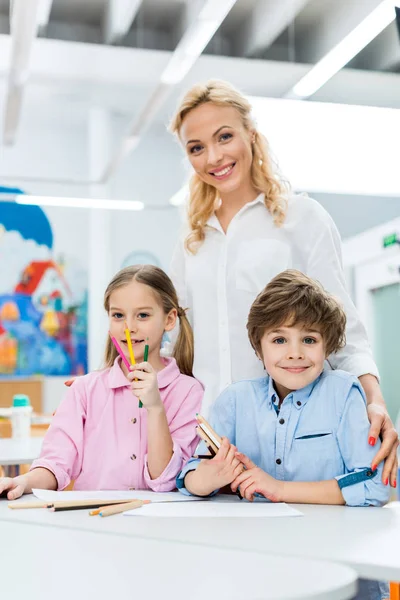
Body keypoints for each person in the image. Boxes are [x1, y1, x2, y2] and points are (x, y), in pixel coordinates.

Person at [169, 79, 398, 485]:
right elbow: (172, 337)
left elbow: (343, 326)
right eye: (197, 147)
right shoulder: (192, 239)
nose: (214, 156)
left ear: (251, 136)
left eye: (225, 137)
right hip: (210, 439)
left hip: (297, 435)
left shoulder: (301, 218)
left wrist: (375, 399)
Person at [177, 270, 389, 600]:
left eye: (309, 339)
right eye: (279, 340)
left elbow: (374, 483)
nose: (294, 353)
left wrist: (278, 488)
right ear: (258, 348)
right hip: (262, 571)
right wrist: (206, 478)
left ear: (327, 345)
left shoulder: (344, 393)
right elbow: (189, 473)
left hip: (341, 568)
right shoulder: (234, 401)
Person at [0, 265, 203, 500]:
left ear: (169, 320)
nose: (129, 327)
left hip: (156, 527)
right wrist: (23, 481)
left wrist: (155, 408)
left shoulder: (189, 392)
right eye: (118, 315)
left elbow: (164, 479)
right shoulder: (85, 390)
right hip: (92, 522)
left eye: (143, 315)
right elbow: (56, 463)